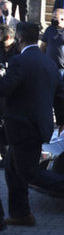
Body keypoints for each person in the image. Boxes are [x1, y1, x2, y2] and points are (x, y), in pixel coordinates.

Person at [0, 22, 64, 228]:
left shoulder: (19, 61)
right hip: (38, 126)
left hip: (23, 127)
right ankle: (21, 214)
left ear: (20, 39)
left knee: (30, 173)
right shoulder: (48, 62)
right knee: (12, 168)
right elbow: (60, 94)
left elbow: (5, 88)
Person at [0, 23, 19, 166]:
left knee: (8, 125)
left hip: (12, 95)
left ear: (7, 37)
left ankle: (9, 156)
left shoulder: (18, 50)